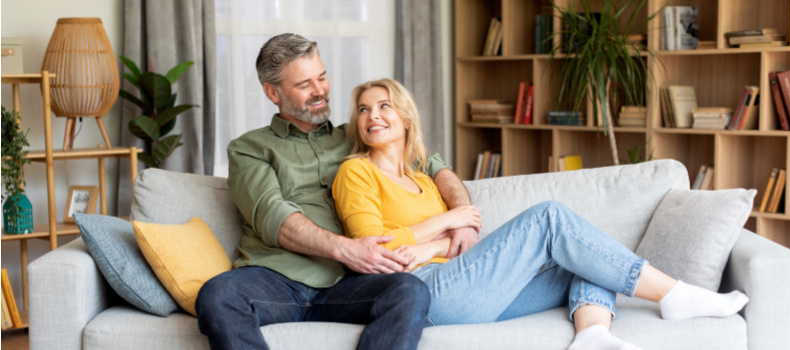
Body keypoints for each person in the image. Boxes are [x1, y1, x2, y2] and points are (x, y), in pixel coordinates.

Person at [332, 78, 750, 350]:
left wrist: (438, 241)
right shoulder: (356, 172)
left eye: (384, 106)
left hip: (467, 286)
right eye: (364, 110)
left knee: (587, 254)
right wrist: (447, 222)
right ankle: (675, 294)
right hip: (422, 293)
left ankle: (592, 336)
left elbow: (439, 240)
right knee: (548, 217)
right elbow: (377, 250)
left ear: (405, 118)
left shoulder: (424, 180)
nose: (373, 116)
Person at [195, 34, 479, 350]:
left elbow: (433, 165)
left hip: (348, 285)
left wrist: (464, 218)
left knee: (409, 290)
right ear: (272, 92)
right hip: (276, 279)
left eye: (322, 77)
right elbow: (274, 216)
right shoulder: (249, 148)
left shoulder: (356, 134)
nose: (320, 91)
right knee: (218, 295)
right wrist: (346, 249)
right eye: (305, 84)